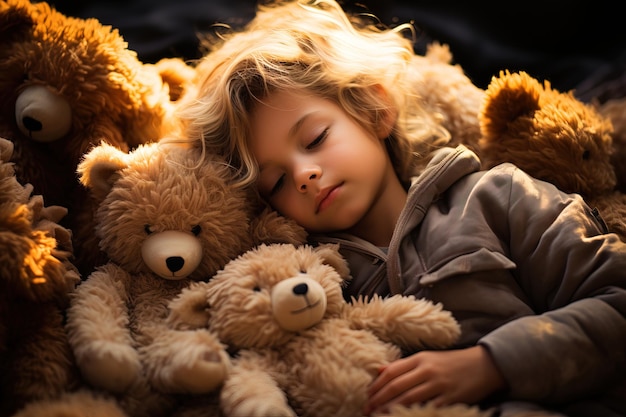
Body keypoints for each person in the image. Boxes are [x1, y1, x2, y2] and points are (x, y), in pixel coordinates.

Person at [174, 0, 626, 415]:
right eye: (275, 181)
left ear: (374, 108)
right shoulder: (307, 278)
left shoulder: (497, 196)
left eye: (315, 139)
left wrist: (491, 363)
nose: (302, 175)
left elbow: (615, 304)